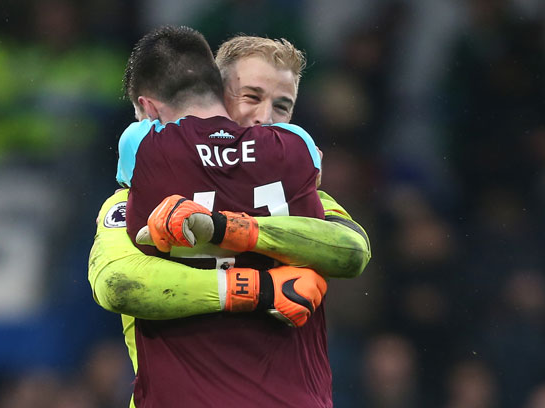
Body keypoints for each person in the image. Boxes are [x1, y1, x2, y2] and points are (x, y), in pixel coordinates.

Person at [88, 28, 371, 407]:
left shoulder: (302, 191)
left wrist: (229, 227)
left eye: (282, 106)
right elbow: (118, 281)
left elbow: (353, 249)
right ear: (214, 95)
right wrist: (260, 288)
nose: (265, 118)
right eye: (251, 97)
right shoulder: (135, 192)